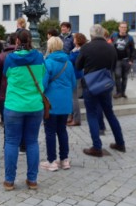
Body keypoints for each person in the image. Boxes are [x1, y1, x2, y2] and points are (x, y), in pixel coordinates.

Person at [2, 30, 45, 191]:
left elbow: (5, 75)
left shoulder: (10, 58)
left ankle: (9, 181)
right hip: (35, 105)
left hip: (14, 105)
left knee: (12, 142)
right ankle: (32, 180)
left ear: (17, 41)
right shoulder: (39, 57)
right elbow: (43, 74)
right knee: (32, 142)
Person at [76, 24, 126, 157]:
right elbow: (113, 66)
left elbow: (78, 65)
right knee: (110, 113)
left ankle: (97, 147)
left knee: (92, 114)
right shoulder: (111, 48)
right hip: (105, 85)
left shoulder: (86, 47)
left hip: (90, 85)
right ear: (103, 33)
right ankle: (120, 143)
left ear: (91, 35)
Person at [40, 37, 76, 171]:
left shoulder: (47, 63)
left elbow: (43, 84)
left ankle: (52, 161)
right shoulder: (69, 63)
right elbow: (73, 83)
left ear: (50, 47)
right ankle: (64, 159)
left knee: (50, 131)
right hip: (65, 102)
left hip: (51, 103)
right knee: (62, 130)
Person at [0, 33, 17, 127]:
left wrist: (1, 83)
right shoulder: (21, 55)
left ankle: (4, 120)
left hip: (4, 87)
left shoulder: (2, 55)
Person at [110, 21, 135, 99]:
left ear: (126, 28)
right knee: (117, 75)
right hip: (117, 60)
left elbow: (133, 50)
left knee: (125, 77)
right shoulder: (113, 36)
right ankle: (118, 92)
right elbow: (109, 45)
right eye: (122, 27)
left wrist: (131, 60)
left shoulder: (130, 38)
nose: (123, 29)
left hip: (126, 61)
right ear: (119, 28)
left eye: (125, 27)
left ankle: (123, 93)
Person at [67, 33, 87, 127]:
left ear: (78, 40)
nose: (73, 40)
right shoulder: (76, 50)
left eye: (74, 38)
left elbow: (72, 60)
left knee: (74, 98)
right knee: (71, 98)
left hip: (76, 75)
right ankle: (71, 117)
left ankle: (76, 119)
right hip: (74, 75)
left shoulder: (79, 51)